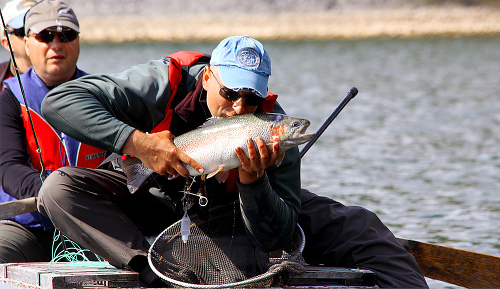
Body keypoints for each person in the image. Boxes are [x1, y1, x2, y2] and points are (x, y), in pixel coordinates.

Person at [38, 35, 427, 288]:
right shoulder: (159, 83)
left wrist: (254, 182)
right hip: (154, 202)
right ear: (206, 77)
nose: (239, 106)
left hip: (237, 213)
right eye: (229, 91)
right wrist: (138, 144)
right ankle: (153, 273)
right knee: (59, 189)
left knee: (359, 224)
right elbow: (58, 102)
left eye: (252, 98)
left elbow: (278, 234)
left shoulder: (274, 128)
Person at [0, 0, 107, 263]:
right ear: (27, 43)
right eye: (45, 36)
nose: (56, 44)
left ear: (78, 42)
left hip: (93, 224)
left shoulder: (105, 93)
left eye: (66, 35)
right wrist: (54, 192)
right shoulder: (10, 97)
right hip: (28, 226)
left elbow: (121, 158)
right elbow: (9, 166)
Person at [0, 0, 42, 91]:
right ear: (7, 43)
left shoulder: (73, 79)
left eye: (39, 30)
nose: (32, 36)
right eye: (23, 31)